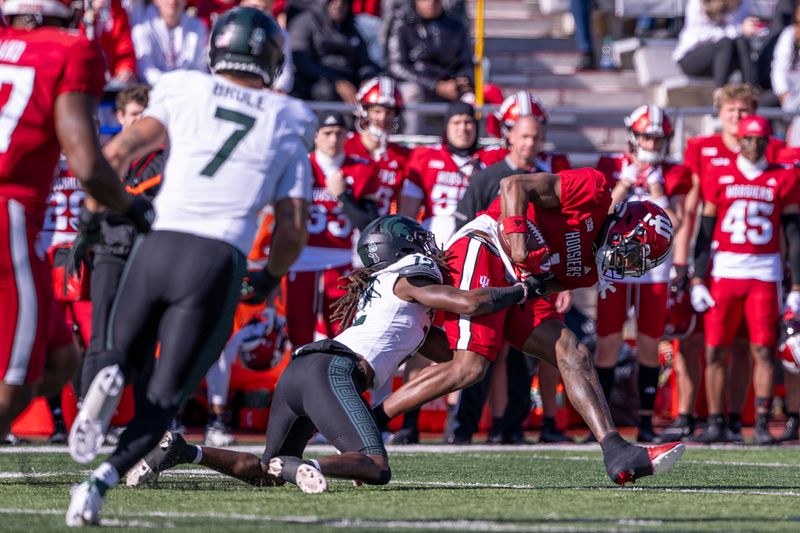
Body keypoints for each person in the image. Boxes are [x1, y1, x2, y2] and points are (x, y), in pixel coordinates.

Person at [65, 8, 316, 526]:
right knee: (165, 395)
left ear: (215, 49)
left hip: (158, 241)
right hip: (216, 257)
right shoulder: (287, 116)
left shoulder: (182, 88)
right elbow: (292, 228)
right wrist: (268, 278)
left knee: (121, 354)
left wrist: (95, 217)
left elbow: (116, 151)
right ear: (271, 59)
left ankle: (110, 374)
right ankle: (99, 483)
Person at [126, 215, 551, 491]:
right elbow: (470, 303)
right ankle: (305, 466)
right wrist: (522, 290)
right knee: (374, 467)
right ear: (401, 249)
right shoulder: (407, 276)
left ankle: (184, 450)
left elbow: (448, 353)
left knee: (269, 471)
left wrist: (485, 333)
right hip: (334, 371)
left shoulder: (389, 293)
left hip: (303, 372)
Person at [372, 168, 685, 485]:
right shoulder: (594, 190)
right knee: (469, 367)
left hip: (516, 283)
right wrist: (519, 244)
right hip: (488, 244)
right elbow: (512, 185)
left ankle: (615, 449)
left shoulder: (589, 272)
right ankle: (370, 422)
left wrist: (525, 286)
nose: (627, 266)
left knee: (573, 351)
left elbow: (541, 287)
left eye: (637, 264)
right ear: (623, 227)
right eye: (631, 254)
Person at [0, 0, 152, 442]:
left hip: (23, 225)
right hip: (8, 208)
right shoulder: (72, 50)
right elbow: (86, 164)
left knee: (60, 360)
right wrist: (129, 206)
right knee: (14, 387)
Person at [660, 83, 786, 443]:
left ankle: (738, 417)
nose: (737, 117)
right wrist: (686, 265)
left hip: (761, 266)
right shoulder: (704, 149)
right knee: (702, 342)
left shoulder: (773, 152)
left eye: (744, 110)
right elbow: (697, 210)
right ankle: (692, 415)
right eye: (731, 110)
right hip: (719, 264)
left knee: (752, 345)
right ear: (719, 114)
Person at [688, 115, 800, 445]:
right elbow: (704, 233)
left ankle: (762, 422)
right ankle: (715, 421)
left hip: (765, 272)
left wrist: (796, 287)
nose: (754, 146)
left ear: (768, 142)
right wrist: (697, 278)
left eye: (760, 140)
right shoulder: (718, 173)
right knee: (714, 350)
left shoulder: (784, 178)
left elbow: (794, 235)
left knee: (763, 350)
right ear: (739, 140)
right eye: (748, 140)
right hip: (725, 271)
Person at [594, 105, 692, 442]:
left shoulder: (674, 172)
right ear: (633, 136)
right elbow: (600, 214)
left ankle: (646, 421)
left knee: (650, 344)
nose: (653, 142)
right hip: (615, 268)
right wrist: (624, 184)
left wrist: (656, 190)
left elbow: (676, 223)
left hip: (654, 270)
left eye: (658, 137)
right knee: (607, 344)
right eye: (648, 136)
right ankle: (602, 423)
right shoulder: (610, 166)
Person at [283, 111, 379, 347]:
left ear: (347, 135)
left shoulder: (361, 169)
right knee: (298, 327)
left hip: (342, 259)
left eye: (339, 133)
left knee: (342, 328)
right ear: (315, 136)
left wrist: (342, 196)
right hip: (302, 258)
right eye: (327, 133)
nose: (333, 139)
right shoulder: (301, 167)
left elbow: (370, 224)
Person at [455, 91, 570, 228]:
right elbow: (465, 223)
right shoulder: (486, 165)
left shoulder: (553, 166)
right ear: (510, 133)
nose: (530, 143)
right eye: (524, 136)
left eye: (534, 136)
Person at [386, 0, 474, 134]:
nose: (430, 3)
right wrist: (435, 85)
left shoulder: (456, 26)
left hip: (451, 84)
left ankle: (467, 149)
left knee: (475, 97)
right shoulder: (402, 24)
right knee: (412, 93)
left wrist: (464, 79)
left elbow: (466, 62)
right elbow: (396, 67)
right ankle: (413, 144)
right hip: (418, 83)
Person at [344, 76, 411, 217]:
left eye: (389, 112)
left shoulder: (401, 155)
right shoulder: (345, 147)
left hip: (384, 230)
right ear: (364, 110)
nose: (383, 118)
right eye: (377, 111)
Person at [288, 0, 378, 102]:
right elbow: (300, 60)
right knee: (325, 90)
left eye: (344, 2)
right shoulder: (305, 21)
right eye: (334, 1)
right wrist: (336, 80)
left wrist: (368, 78)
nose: (338, 5)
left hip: (350, 82)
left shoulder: (351, 27)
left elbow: (364, 62)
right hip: (317, 84)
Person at [673, 0, 760, 87]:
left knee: (741, 42)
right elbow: (705, 34)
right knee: (725, 43)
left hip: (724, 60)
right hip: (692, 58)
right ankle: (719, 94)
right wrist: (739, 30)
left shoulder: (742, 2)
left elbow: (737, 29)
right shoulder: (698, 2)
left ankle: (751, 90)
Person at [131, 0, 209, 85]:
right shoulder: (141, 27)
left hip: (187, 91)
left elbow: (199, 70)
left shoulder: (197, 27)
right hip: (153, 90)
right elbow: (146, 71)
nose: (172, 2)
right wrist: (172, 85)